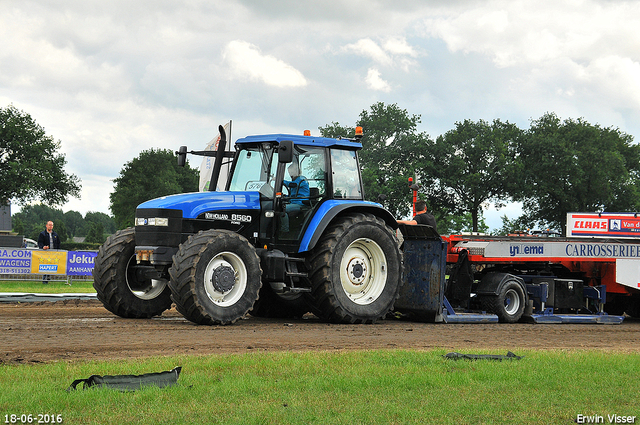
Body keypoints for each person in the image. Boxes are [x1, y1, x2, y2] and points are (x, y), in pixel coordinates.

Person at [281, 161, 310, 232]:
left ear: (296, 171)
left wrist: (280, 181)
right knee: (277, 206)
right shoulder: (295, 180)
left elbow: (293, 185)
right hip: (293, 202)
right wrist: (284, 196)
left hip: (301, 203)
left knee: (281, 210)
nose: (290, 174)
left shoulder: (302, 179)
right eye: (289, 172)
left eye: (291, 172)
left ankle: (285, 231)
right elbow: (292, 195)